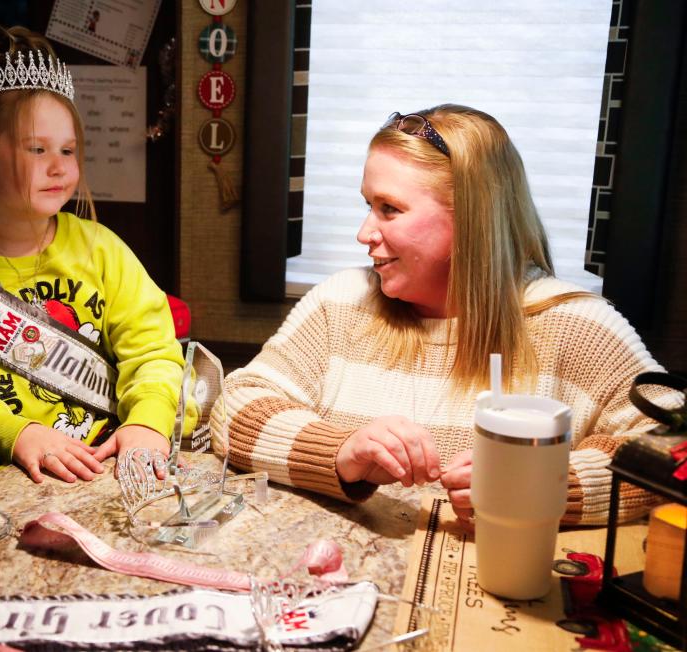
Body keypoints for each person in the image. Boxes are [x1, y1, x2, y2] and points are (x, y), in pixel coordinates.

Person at [218, 104, 677, 526]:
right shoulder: (341, 301)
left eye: (389, 210)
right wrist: (340, 452)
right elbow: (236, 407)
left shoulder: (578, 326)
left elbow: (673, 448)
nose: (364, 233)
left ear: (472, 222)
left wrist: (547, 487)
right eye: (368, 205)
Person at [0, 22, 183, 500]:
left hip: (112, 475)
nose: (60, 167)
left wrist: (147, 422)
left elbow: (153, 353)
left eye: (68, 150)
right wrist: (14, 435)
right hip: (4, 495)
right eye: (37, 150)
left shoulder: (101, 250)